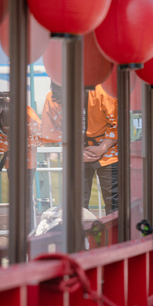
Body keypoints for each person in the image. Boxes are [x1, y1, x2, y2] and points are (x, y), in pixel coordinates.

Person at [41, 82, 119, 214]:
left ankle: (115, 234)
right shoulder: (52, 98)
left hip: (109, 150)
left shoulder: (102, 92)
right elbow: (48, 130)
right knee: (77, 203)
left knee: (114, 202)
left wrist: (101, 148)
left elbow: (119, 123)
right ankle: (80, 234)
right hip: (75, 154)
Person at [0, 91, 42, 233]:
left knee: (25, 195)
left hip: (27, 157)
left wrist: (17, 142)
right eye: (3, 127)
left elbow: (38, 136)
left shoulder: (28, 115)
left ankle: (27, 230)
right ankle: (18, 230)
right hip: (11, 156)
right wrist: (10, 143)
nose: (6, 130)